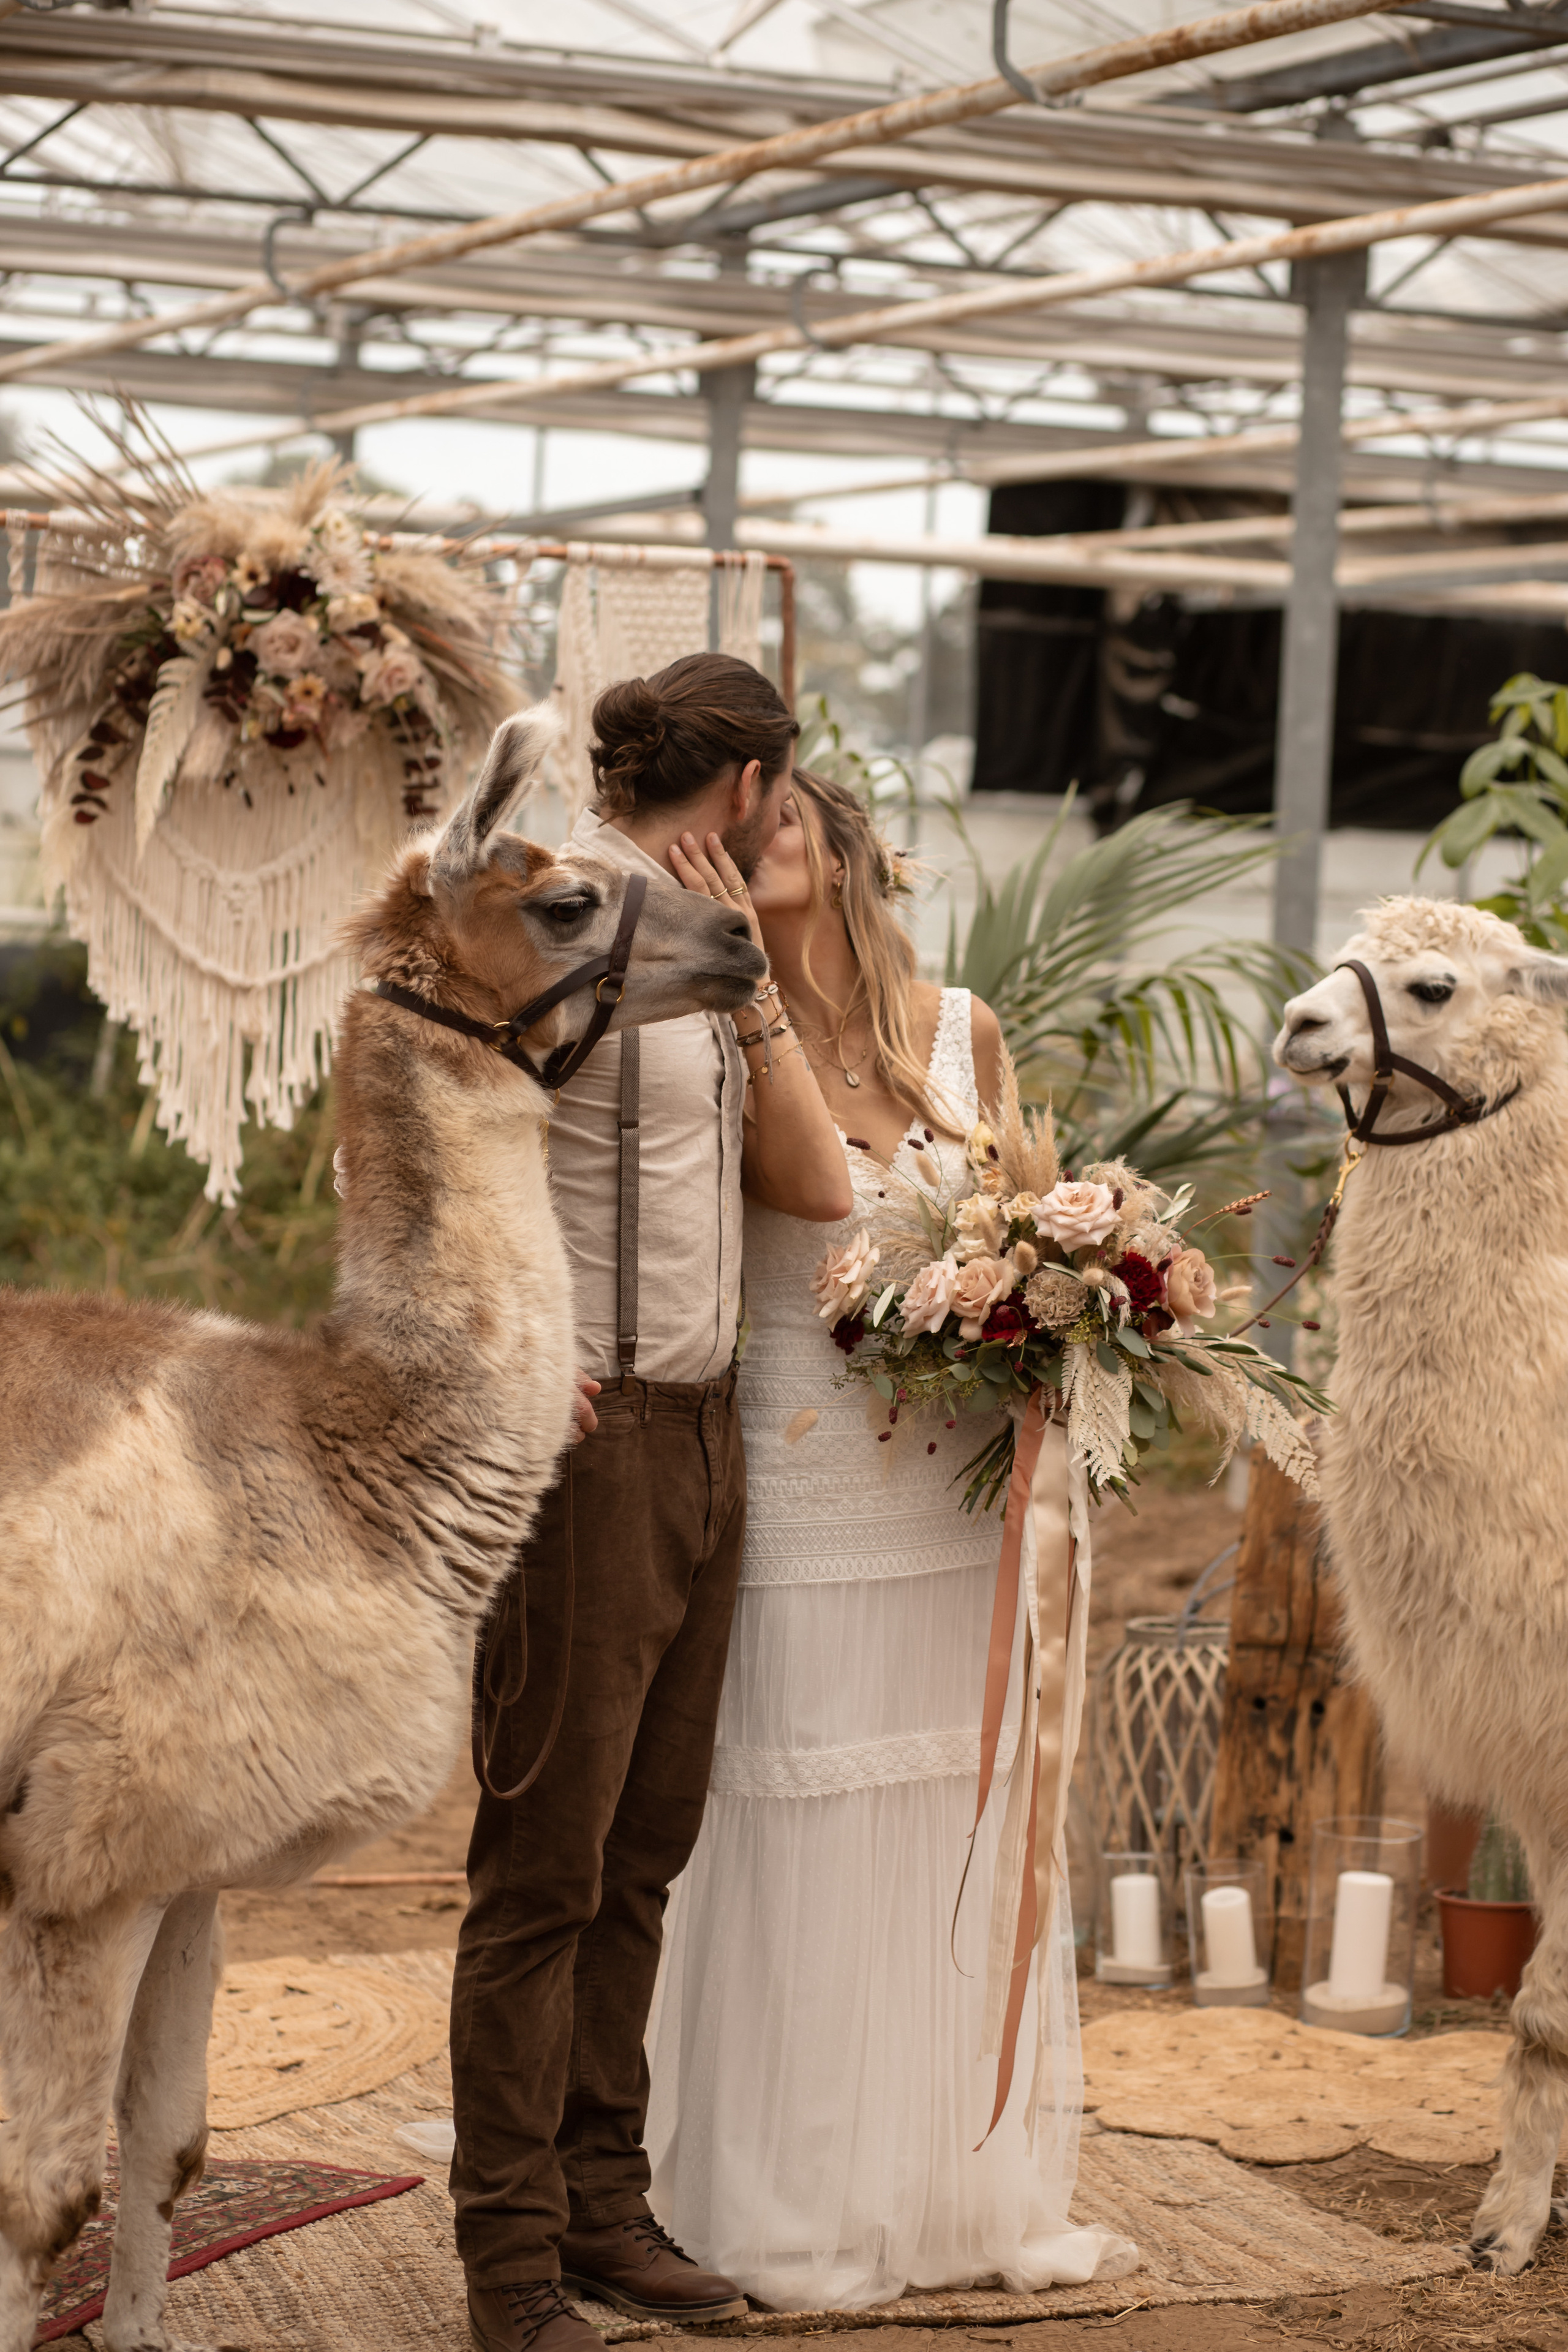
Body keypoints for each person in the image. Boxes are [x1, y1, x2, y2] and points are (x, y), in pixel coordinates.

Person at [644, 769, 1137, 2310]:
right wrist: (739, 985)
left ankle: (941, 2190)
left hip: (946, 1484)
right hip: (795, 1482)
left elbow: (1009, 1216)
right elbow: (793, 1198)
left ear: (845, 843)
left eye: (778, 814)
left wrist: (1045, 1297)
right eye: (729, 834)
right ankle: (785, 2196)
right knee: (794, 1805)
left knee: (945, 1810)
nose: (751, 837)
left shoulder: (960, 1028)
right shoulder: (710, 1038)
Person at [451, 659, 851, 2352]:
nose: (791, 810)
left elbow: (817, 1188)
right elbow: (429, 1139)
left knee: (644, 1858)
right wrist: (508, 1356)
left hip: (707, 1432)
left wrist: (754, 992)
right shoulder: (541, 910)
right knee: (543, 1868)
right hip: (584, 1441)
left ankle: (608, 2213)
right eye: (789, 783)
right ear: (754, 777)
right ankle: (510, 2262)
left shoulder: (710, 949)